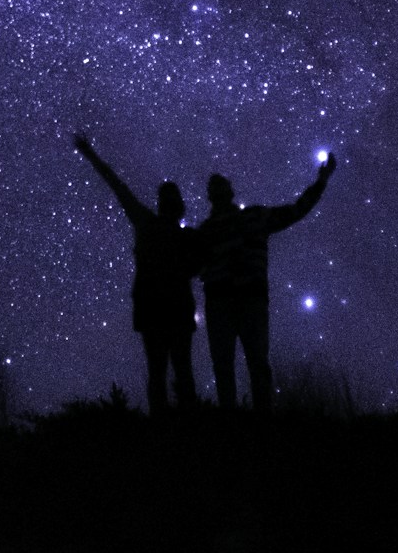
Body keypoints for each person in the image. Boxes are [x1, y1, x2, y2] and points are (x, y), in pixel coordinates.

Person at [197, 151, 338, 412]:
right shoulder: (205, 232)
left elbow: (296, 210)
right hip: (224, 303)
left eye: (220, 185)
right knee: (228, 365)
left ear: (229, 191)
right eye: (213, 186)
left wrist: (321, 181)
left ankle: (260, 424)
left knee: (254, 363)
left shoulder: (252, 217)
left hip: (247, 300)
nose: (217, 189)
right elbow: (191, 264)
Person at [73, 134, 204, 413]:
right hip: (171, 310)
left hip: (156, 309)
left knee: (163, 372)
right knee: (179, 371)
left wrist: (91, 155)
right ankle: (189, 431)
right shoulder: (182, 236)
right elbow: (199, 266)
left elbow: (118, 187)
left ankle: (165, 428)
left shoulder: (150, 225)